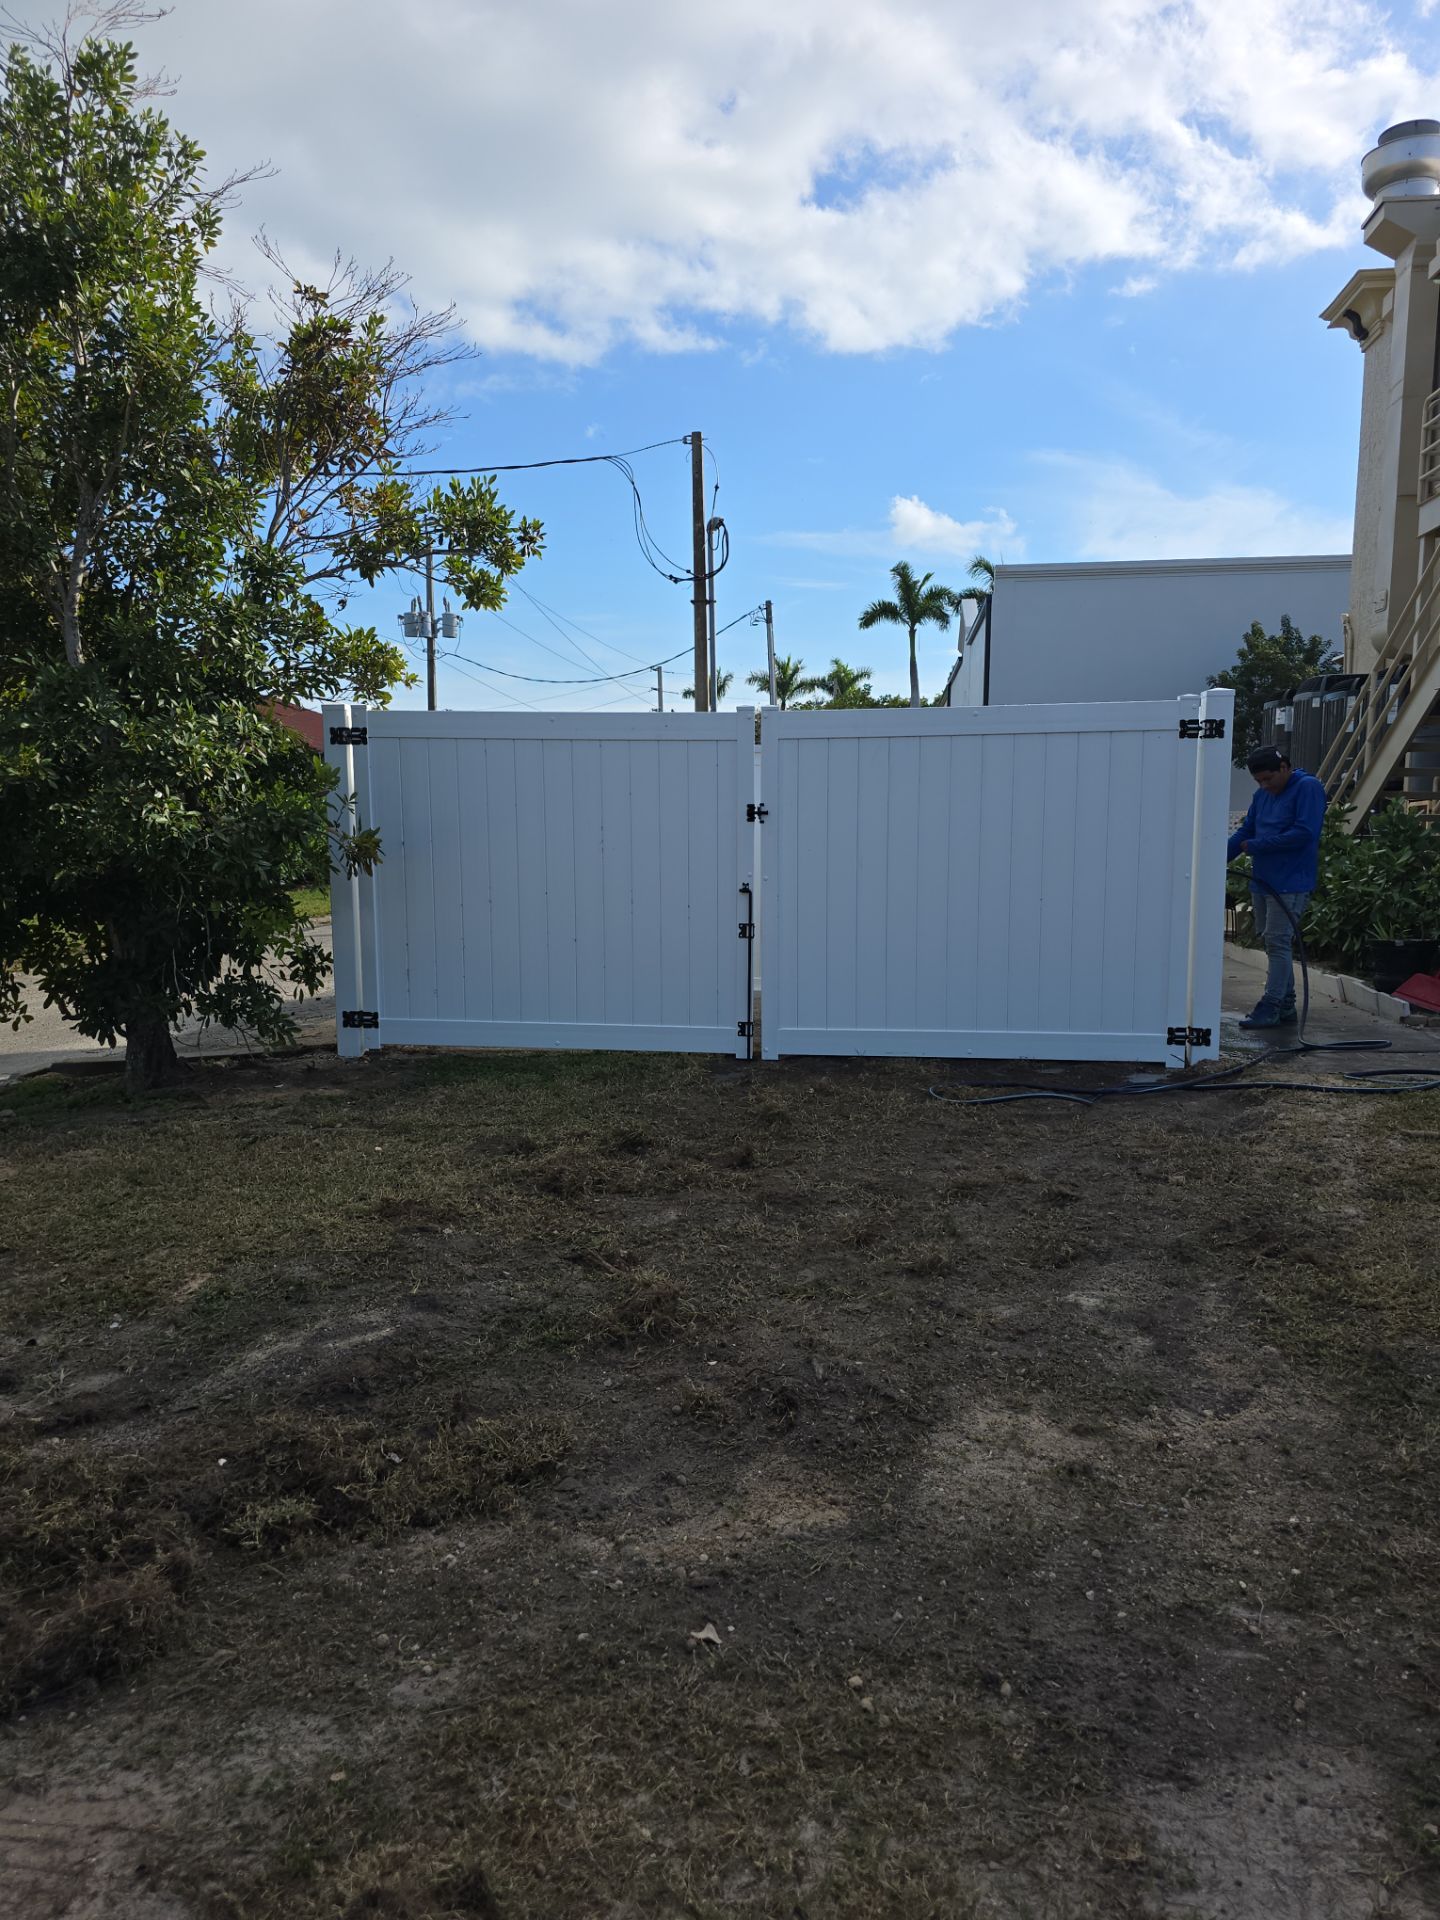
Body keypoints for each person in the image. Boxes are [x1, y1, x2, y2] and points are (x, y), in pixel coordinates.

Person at [1227, 745, 1327, 1029]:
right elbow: (1247, 830)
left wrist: (1258, 846)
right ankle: (1285, 1005)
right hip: (1263, 880)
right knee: (1272, 943)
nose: (1264, 785)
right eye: (1259, 781)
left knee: (1278, 941)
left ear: (1284, 767)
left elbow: (1305, 833)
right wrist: (1215, 857)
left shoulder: (1308, 788)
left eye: (1268, 778)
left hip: (1291, 882)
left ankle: (1270, 1005)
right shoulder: (1262, 796)